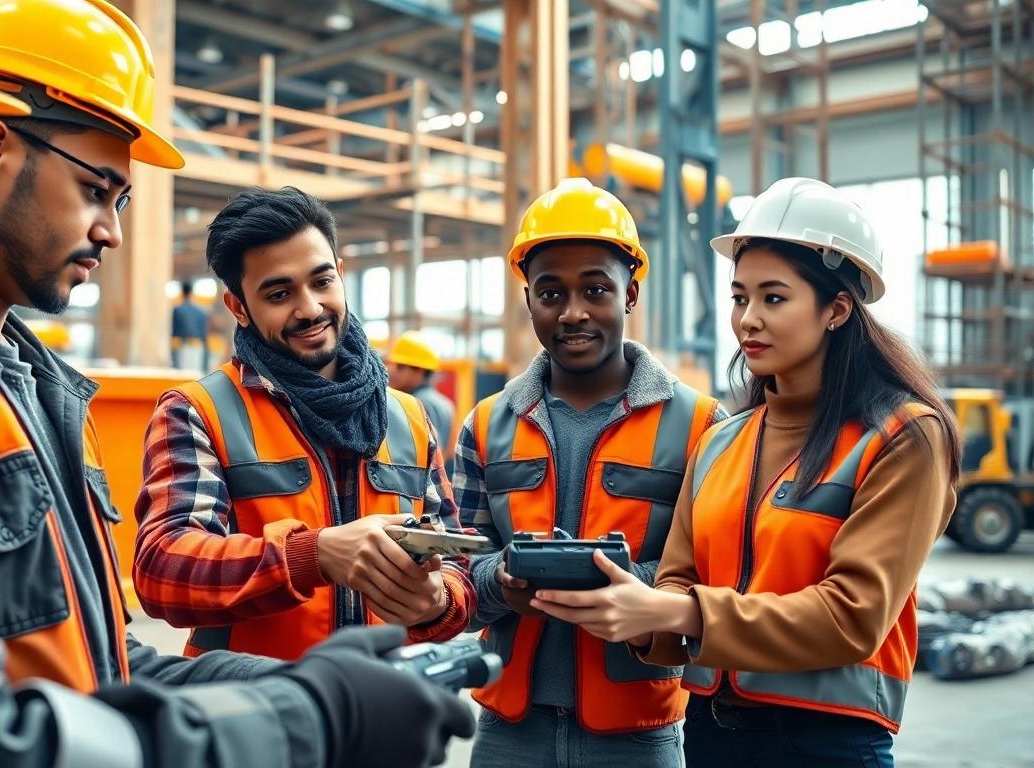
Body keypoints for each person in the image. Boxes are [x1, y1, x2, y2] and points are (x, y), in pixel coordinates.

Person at [0, 2, 474, 767]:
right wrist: (308, 690)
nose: (113, 231)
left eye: (120, 202)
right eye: (96, 190)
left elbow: (104, 663)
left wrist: (335, 683)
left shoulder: (46, 393)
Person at [528, 178, 960, 768]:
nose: (748, 320)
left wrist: (679, 612)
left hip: (828, 744)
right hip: (709, 733)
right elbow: (678, 579)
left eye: (773, 298)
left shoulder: (903, 437)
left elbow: (853, 615)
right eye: (739, 297)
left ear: (835, 309)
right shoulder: (724, 441)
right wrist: (634, 611)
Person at [135, 186, 476, 661]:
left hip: (387, 712)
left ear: (340, 272)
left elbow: (458, 566)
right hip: (254, 717)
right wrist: (311, 556)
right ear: (238, 308)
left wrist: (438, 602)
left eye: (321, 282)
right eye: (279, 293)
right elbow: (162, 570)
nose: (310, 308)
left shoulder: (410, 418)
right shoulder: (196, 412)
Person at [453, 177, 725, 768]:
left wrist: (631, 586)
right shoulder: (485, 424)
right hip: (508, 734)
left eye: (596, 289)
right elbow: (458, 575)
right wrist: (503, 579)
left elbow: (717, 576)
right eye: (550, 293)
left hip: (638, 733)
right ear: (528, 299)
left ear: (630, 294)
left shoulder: (703, 426)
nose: (573, 312)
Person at [386, 330, 457, 477]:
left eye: (400, 366)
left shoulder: (417, 405)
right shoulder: (445, 404)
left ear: (419, 370)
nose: (391, 370)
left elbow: (429, 457)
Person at [173, 280, 210, 372]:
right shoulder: (201, 311)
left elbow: (174, 331)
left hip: (183, 346)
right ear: (191, 292)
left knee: (184, 373)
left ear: (182, 292)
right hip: (198, 346)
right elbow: (204, 333)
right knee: (196, 374)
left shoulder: (177, 310)